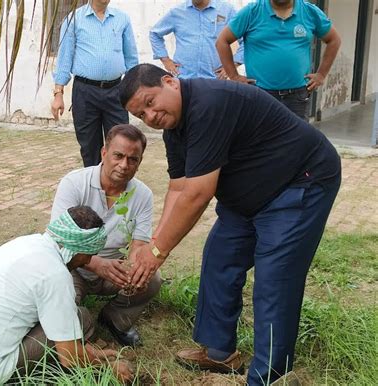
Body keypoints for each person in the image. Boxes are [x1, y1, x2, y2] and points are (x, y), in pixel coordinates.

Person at [118, 63, 341, 385]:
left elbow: (198, 193)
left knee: (274, 281)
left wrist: (156, 252)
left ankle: (269, 376)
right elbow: (179, 187)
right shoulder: (174, 129)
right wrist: (153, 243)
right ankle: (219, 352)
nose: (150, 117)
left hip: (300, 181)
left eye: (150, 103)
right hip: (249, 196)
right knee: (220, 258)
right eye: (141, 115)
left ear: (170, 82)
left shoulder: (209, 103)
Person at [0, 206, 133, 384]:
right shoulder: (55, 274)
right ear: (78, 249)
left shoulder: (26, 243)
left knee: (68, 322)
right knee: (81, 319)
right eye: (89, 254)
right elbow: (69, 357)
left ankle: (83, 351)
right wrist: (109, 367)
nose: (88, 261)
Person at [51, 124, 160, 347]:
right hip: (73, 267)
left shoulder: (143, 195)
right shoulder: (74, 183)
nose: (124, 165)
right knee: (59, 305)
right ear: (104, 153)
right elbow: (59, 238)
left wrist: (132, 267)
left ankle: (115, 318)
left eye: (133, 159)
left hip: (114, 270)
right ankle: (80, 325)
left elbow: (139, 242)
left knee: (150, 278)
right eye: (118, 156)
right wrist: (97, 263)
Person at [216, 0, 341, 120]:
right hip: (260, 94)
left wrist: (321, 74)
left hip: (297, 97)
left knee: (296, 140)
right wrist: (234, 76)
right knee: (261, 140)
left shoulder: (309, 11)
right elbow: (222, 41)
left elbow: (334, 40)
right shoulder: (252, 12)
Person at [51, 0, 138, 167]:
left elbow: (131, 59)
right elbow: (64, 59)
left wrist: (135, 91)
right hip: (85, 93)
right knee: (89, 147)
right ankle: (94, 188)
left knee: (121, 143)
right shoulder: (74, 19)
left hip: (116, 92)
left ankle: (117, 188)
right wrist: (58, 94)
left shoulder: (122, 19)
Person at [150, 0, 243, 80]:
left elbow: (246, 39)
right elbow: (155, 33)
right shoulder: (177, 12)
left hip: (214, 80)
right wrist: (165, 59)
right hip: (184, 79)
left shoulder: (227, 10)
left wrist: (234, 64)